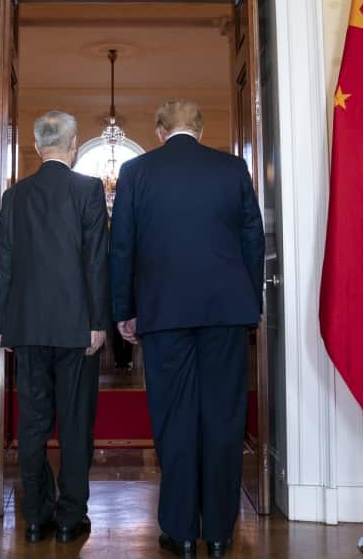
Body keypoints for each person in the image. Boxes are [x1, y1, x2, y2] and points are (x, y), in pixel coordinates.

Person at [110, 99, 264, 558]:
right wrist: (249, 302)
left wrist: (124, 310)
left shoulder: (137, 172)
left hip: (163, 314)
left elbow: (122, 246)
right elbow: (253, 240)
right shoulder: (232, 168)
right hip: (226, 312)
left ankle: (180, 532)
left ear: (160, 131)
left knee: (173, 421)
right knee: (224, 419)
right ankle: (217, 532)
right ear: (201, 128)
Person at [0, 110, 109, 544]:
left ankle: (36, 517)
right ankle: (69, 518)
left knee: (32, 425)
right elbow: (96, 260)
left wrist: (5, 323)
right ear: (74, 145)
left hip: (26, 327)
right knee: (75, 424)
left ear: (36, 145)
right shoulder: (88, 189)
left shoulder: (15, 196)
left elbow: (3, 262)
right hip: (77, 327)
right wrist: (98, 322)